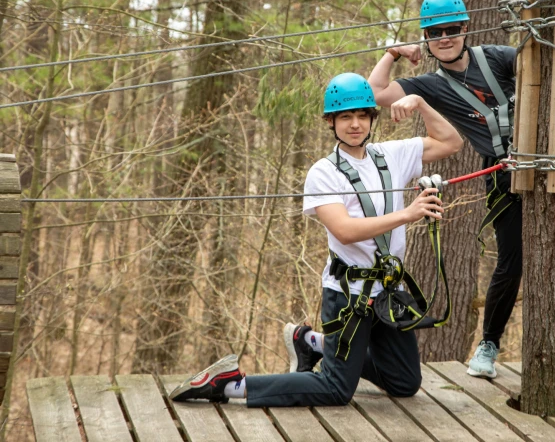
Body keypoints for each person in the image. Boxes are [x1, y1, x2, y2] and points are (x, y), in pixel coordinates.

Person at [169, 72, 462, 405]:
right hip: (349, 295)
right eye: (345, 117)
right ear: (331, 122)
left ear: (371, 118)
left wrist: (421, 103)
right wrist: (407, 214)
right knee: (336, 390)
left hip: (388, 293)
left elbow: (452, 142)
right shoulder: (324, 172)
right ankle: (229, 384)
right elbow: (344, 230)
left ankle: (314, 343)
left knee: (405, 382)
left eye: (362, 115)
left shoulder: (391, 155)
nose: (355, 124)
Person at [366, 0, 522, 379]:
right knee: (511, 260)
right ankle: (488, 345)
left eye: (452, 28)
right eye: (435, 32)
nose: (445, 37)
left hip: (546, 161)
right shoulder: (429, 86)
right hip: (502, 173)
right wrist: (393, 53)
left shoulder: (497, 58)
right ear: (427, 38)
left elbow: (543, 68)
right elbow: (374, 93)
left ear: (466, 27)